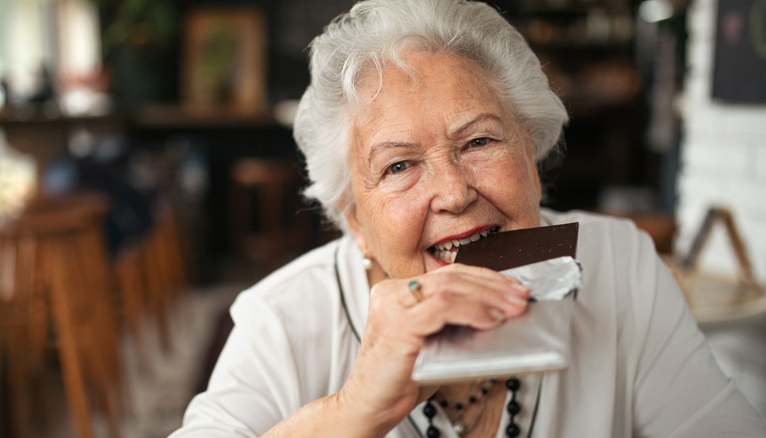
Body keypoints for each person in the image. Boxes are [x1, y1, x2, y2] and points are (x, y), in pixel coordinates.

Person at [170, 0, 766, 436]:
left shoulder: (618, 263)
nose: (454, 193)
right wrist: (352, 411)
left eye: (480, 142)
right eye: (400, 165)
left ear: (532, 157)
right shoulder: (283, 319)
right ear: (354, 218)